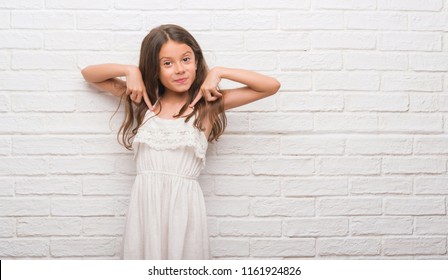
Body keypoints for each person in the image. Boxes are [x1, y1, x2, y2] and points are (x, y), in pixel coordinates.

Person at [81, 24, 280, 260]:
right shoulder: (145, 103)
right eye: (167, 63)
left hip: (183, 209)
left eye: (186, 59)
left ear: (196, 60)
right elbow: (89, 74)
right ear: (155, 70)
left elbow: (271, 86)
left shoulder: (207, 106)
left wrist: (220, 72)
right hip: (145, 207)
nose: (179, 69)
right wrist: (130, 70)